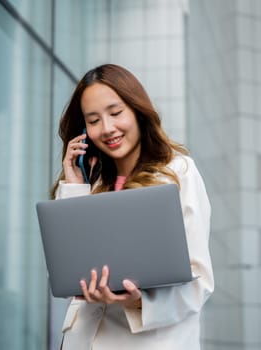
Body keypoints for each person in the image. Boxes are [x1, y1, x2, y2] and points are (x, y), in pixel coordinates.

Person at [50, 64, 214, 349]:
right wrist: (75, 184)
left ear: (138, 111)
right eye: (94, 120)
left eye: (115, 113)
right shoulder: (95, 183)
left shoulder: (178, 172)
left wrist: (139, 301)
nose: (107, 128)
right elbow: (68, 273)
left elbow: (199, 284)